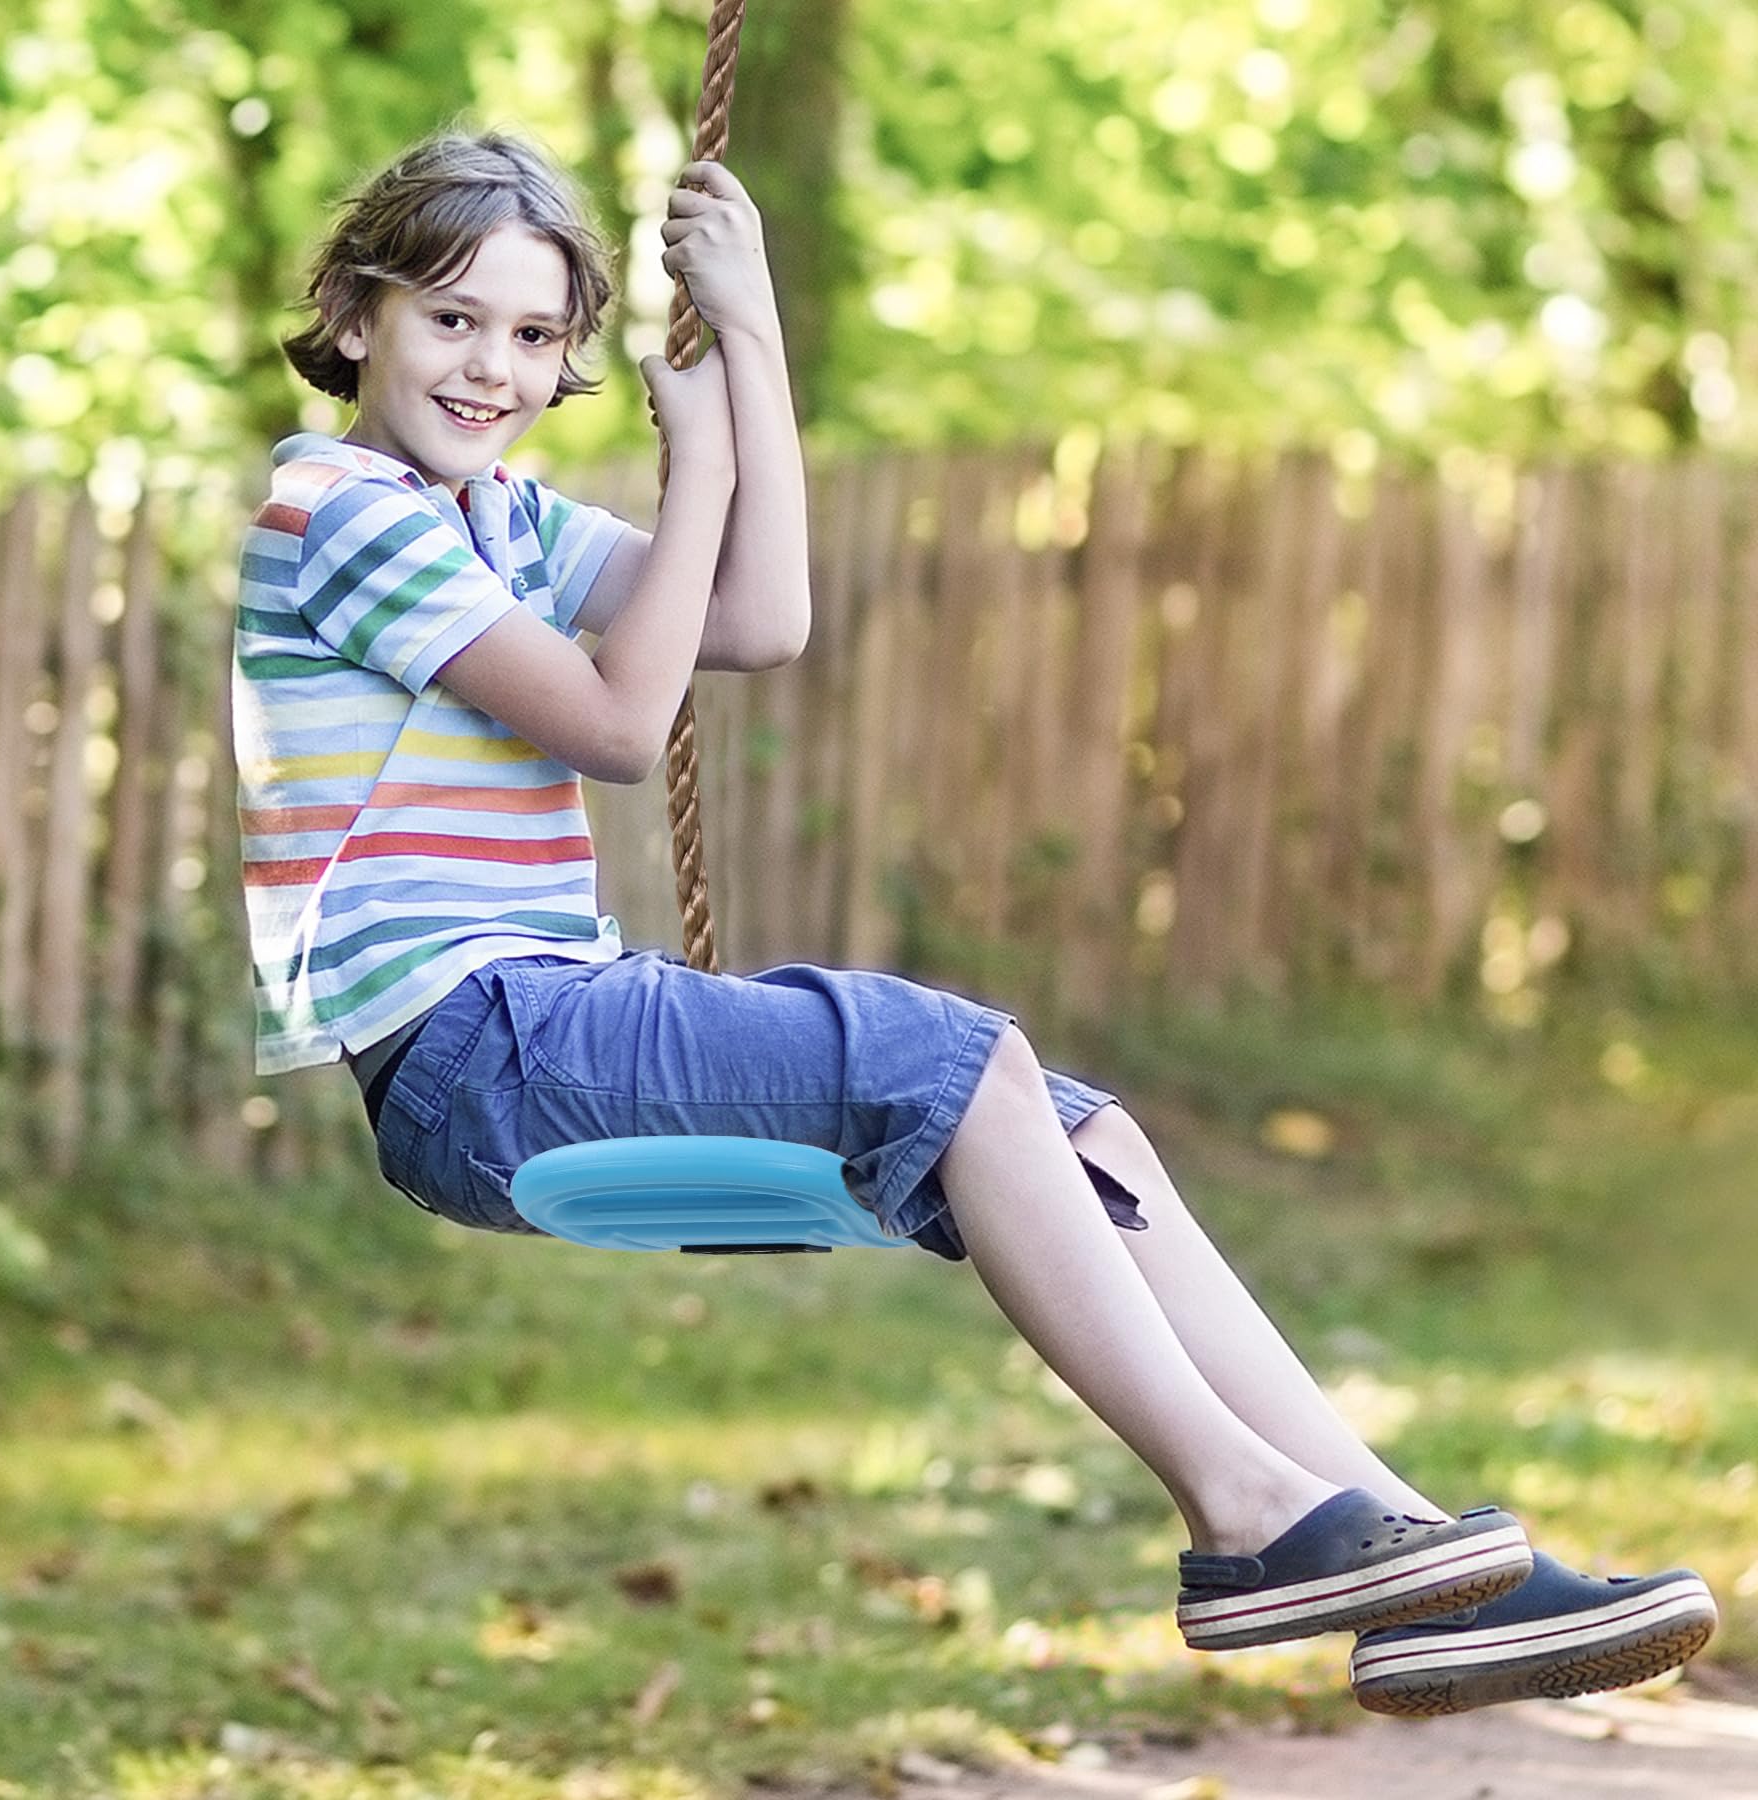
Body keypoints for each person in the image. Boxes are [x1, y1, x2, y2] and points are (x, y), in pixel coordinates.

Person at [232, 126, 1717, 1716]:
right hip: (479, 1050)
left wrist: (753, 335)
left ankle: (1421, 1568)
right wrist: (701, 468)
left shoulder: (503, 517)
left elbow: (763, 618)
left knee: (1085, 1137)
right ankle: (1242, 1514)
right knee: (954, 1058)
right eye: (452, 318)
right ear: (358, 315)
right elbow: (613, 724)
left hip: (541, 1023)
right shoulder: (339, 508)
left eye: (534, 335)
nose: (494, 367)